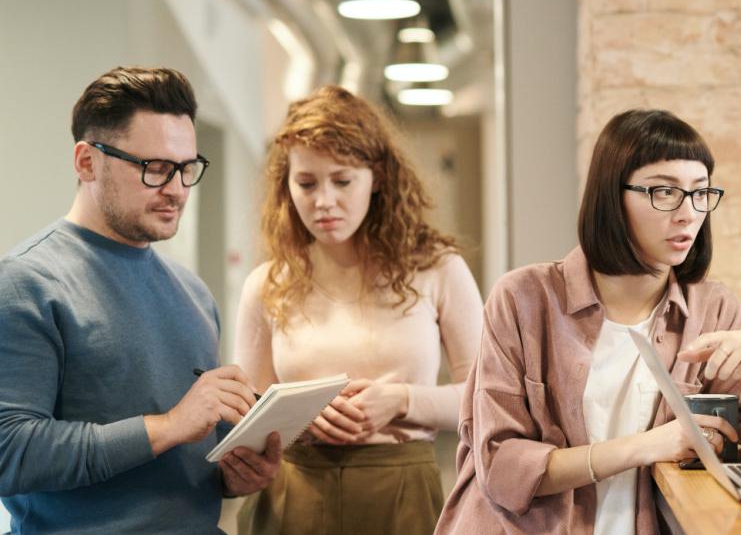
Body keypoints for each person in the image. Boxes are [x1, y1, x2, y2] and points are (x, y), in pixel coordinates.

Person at [435, 109, 741, 534]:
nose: (688, 214)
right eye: (664, 192)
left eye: (700, 193)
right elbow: (502, 467)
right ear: (611, 195)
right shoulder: (524, 298)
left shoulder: (714, 308)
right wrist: (648, 446)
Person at [0, 66, 279, 533]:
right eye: (154, 168)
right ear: (87, 162)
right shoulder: (27, 283)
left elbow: (183, 460)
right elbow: (9, 452)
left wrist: (233, 476)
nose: (176, 189)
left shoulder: (193, 293)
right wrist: (168, 425)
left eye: (187, 168)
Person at [234, 86, 484, 534]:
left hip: (402, 488)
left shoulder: (437, 269)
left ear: (379, 177)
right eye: (306, 183)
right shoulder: (267, 284)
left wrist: (403, 401)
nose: (323, 201)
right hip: (295, 491)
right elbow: (246, 418)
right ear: (286, 185)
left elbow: (487, 399)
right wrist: (298, 416)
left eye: (343, 180)